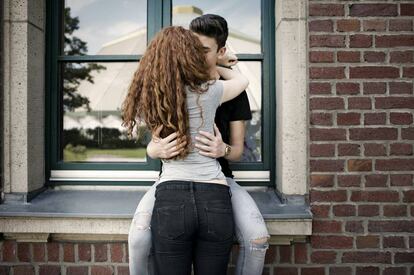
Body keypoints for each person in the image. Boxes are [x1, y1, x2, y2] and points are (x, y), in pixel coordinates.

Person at [127, 14, 270, 275]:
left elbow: (237, 151)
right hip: (183, 183)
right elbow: (154, 142)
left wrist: (222, 150)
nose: (194, 56)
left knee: (257, 237)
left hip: (220, 178)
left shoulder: (217, 92)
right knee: (137, 240)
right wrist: (154, 150)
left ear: (220, 51)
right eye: (191, 49)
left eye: (203, 50)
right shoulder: (174, 90)